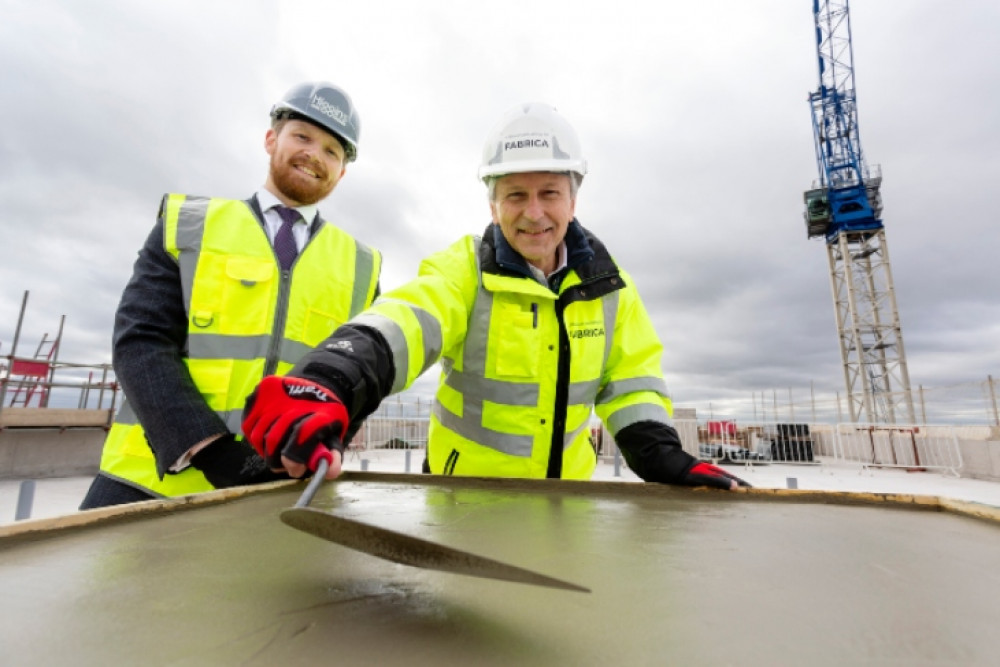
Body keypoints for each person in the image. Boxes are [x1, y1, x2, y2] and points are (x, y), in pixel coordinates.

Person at [241, 102, 748, 490]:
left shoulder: (612, 289)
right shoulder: (464, 271)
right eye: (515, 196)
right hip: (464, 503)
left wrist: (660, 454)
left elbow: (632, 383)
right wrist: (331, 379)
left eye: (549, 192)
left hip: (568, 506)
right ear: (492, 204)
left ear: (574, 199)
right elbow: (405, 322)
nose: (534, 213)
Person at [80, 82, 383, 509]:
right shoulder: (189, 225)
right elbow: (140, 341)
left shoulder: (362, 267)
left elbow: (360, 378)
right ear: (270, 139)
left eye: (333, 150)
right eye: (303, 137)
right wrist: (209, 449)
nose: (315, 154)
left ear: (342, 172)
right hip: (148, 484)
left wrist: (320, 446)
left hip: (281, 491)